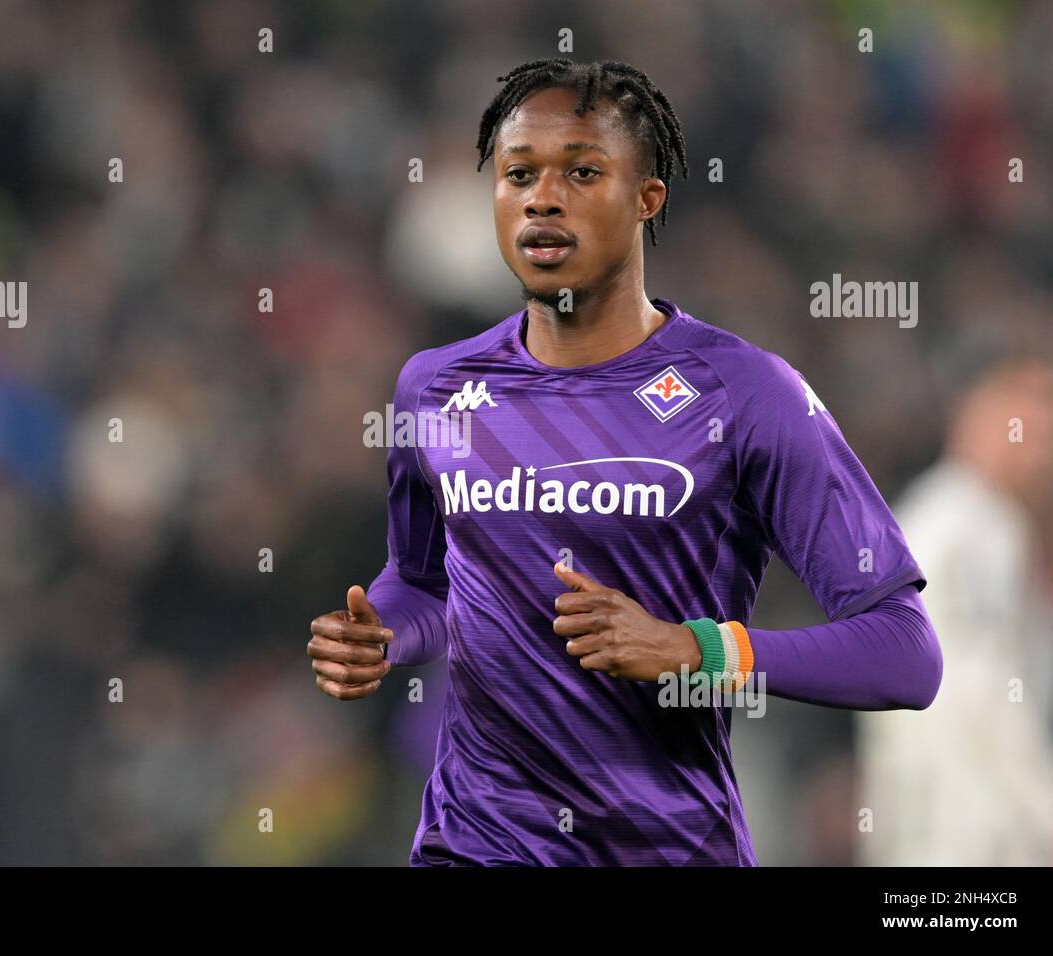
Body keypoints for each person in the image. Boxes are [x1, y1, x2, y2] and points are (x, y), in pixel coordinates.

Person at [307, 58, 942, 865]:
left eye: (581, 171)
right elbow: (426, 584)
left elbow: (904, 653)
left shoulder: (745, 393)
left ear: (648, 199)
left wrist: (696, 651)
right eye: (518, 174)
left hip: (666, 847)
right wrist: (382, 635)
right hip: (475, 843)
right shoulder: (435, 388)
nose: (542, 197)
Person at [856, 355, 1053, 865]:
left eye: (1049, 436)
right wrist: (1052, 808)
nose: (1038, 453)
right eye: (1024, 428)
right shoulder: (974, 529)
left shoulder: (936, 517)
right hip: (971, 833)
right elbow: (980, 686)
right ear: (973, 418)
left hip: (930, 819)